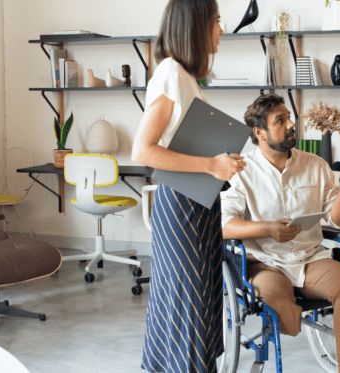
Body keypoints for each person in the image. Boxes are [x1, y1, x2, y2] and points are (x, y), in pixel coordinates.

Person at [221, 94, 340, 373]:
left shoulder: (315, 165)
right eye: (280, 120)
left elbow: (339, 220)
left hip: (310, 259)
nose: (292, 124)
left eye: (289, 117)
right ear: (260, 132)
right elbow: (223, 225)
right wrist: (266, 229)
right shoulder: (241, 170)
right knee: (274, 294)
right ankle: (288, 317)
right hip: (265, 263)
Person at [132, 1, 237, 372]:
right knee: (186, 308)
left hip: (200, 205)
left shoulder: (187, 77)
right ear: (196, 25)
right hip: (181, 209)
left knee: (200, 309)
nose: (221, 30)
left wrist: (222, 164)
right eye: (217, 22)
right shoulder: (170, 73)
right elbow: (143, 149)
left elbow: (183, 144)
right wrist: (212, 164)